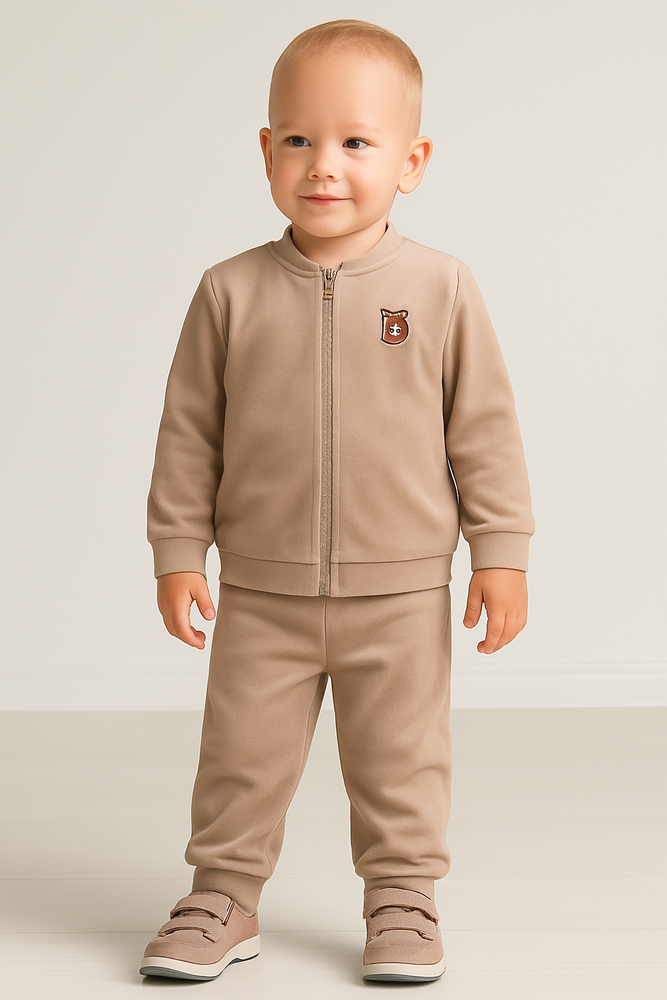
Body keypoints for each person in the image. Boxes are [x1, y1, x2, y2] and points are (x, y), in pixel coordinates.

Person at [139, 18, 535, 985]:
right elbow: (188, 434)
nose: (323, 164)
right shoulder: (228, 291)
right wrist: (177, 551)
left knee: (401, 759)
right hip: (262, 590)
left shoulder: (440, 288)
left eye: (357, 141)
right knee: (240, 755)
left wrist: (501, 551)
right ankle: (223, 895)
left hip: (400, 593)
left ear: (411, 162)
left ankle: (401, 895)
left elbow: (483, 430)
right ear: (265, 151)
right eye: (299, 139)